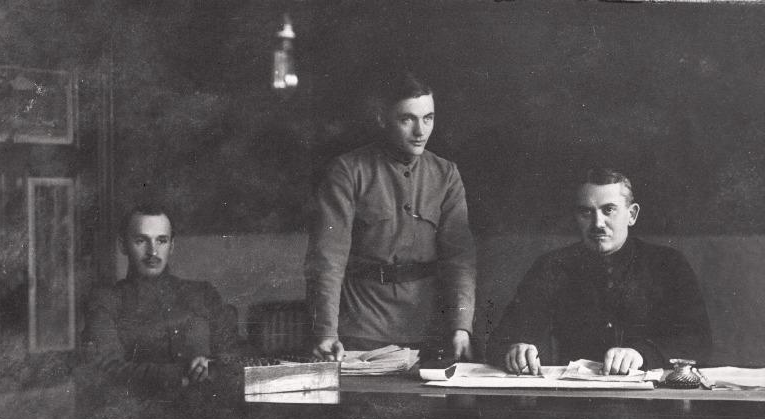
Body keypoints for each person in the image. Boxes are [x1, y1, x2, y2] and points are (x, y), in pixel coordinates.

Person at [304, 71, 477, 361]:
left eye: (428, 118)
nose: (420, 131)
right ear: (382, 120)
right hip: (361, 329)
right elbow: (327, 259)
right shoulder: (348, 172)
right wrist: (326, 333)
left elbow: (460, 260)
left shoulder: (446, 174)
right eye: (407, 119)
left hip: (428, 331)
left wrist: (461, 327)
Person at [486, 169, 712, 375]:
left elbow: (698, 341)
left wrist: (642, 354)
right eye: (586, 212)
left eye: (609, 210)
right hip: (574, 402)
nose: (598, 223)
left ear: (632, 214)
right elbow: (504, 337)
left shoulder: (667, 264)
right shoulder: (552, 266)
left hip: (652, 401)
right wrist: (516, 348)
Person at [78, 202, 240, 400]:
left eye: (161, 241)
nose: (152, 252)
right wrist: (180, 374)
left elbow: (233, 355)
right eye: (141, 241)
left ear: (172, 245)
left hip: (206, 417)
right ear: (123, 245)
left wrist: (210, 364)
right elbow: (106, 369)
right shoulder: (106, 301)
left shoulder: (203, 294)